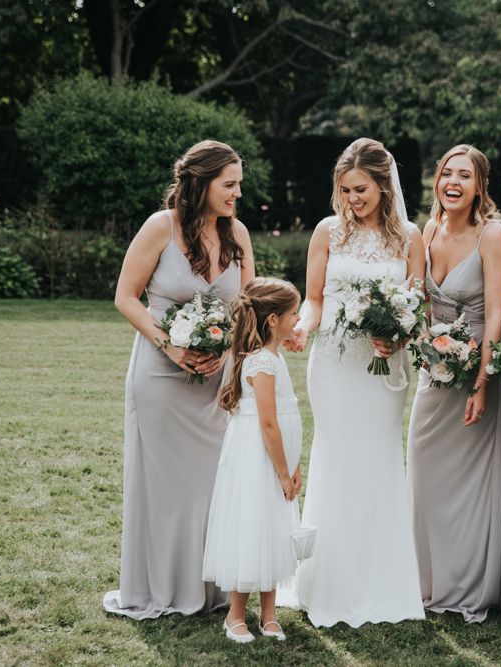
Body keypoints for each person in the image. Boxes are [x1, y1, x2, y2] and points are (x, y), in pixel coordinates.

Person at [103, 140, 255, 619]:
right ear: (201, 182)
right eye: (229, 185)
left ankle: (213, 588)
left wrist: (229, 349)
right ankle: (164, 587)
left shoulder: (238, 234)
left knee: (214, 482)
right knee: (167, 486)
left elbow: (247, 307)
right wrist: (170, 344)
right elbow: (126, 297)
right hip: (160, 374)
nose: (236, 194)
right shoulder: (160, 227)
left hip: (218, 381)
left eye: (239, 185)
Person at [281, 137, 426, 627]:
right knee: (336, 458)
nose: (352, 200)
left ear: (384, 185)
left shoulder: (410, 236)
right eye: (344, 190)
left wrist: (398, 336)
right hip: (335, 366)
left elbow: (415, 303)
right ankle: (329, 581)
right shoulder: (328, 231)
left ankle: (382, 580)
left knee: (380, 459)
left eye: (360, 189)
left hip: (383, 370)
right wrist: (302, 325)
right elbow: (316, 298)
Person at [407, 145, 501, 622]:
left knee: (469, 487)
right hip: (433, 375)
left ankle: (466, 585)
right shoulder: (427, 230)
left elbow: (497, 314)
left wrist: (483, 383)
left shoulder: (492, 235)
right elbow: (421, 304)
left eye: (463, 176)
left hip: (475, 374)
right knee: (425, 476)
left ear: (478, 186)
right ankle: (425, 580)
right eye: (447, 173)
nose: (453, 182)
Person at [203, 277, 303, 643]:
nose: (298, 320)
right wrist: (281, 471)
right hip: (257, 461)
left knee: (273, 530)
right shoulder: (260, 362)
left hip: (277, 462)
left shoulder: (273, 357)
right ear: (273, 319)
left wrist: (294, 466)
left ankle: (270, 613)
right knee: (251, 528)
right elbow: (267, 423)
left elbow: (285, 421)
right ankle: (235, 615)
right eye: (293, 313)